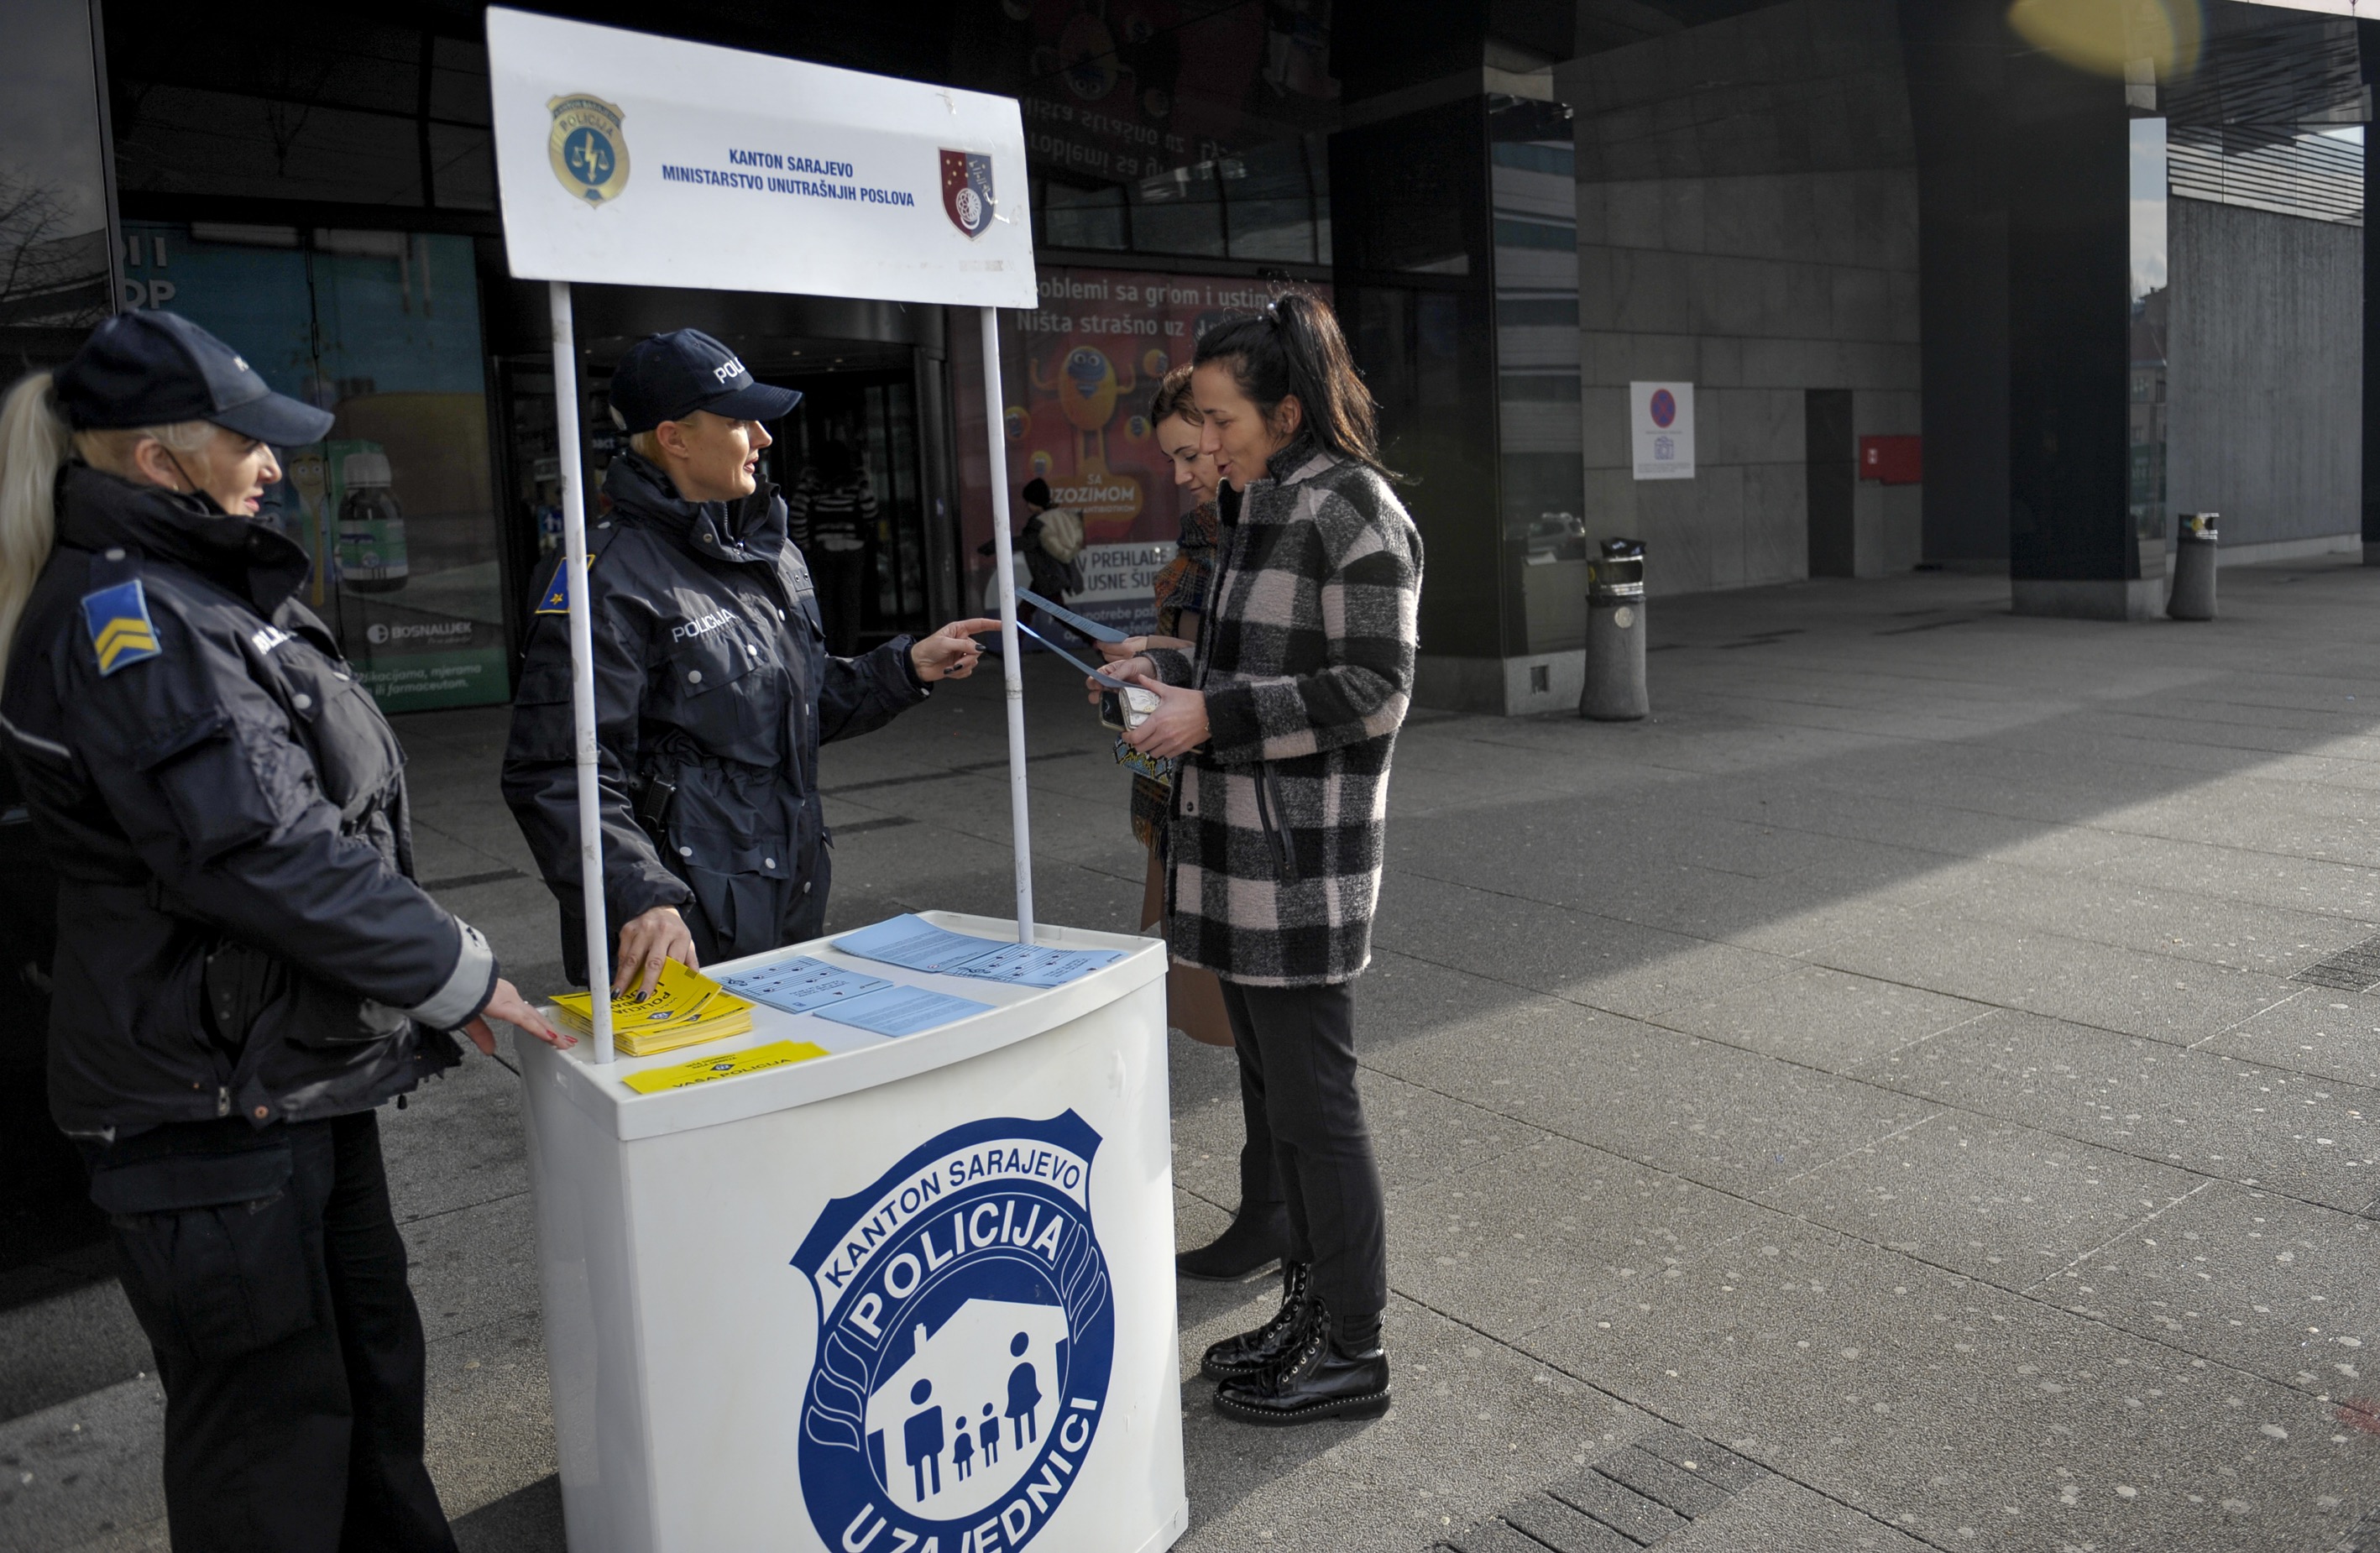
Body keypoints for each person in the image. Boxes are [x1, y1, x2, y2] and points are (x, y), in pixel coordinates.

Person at [0, 310, 568, 1550]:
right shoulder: (131, 621)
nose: (273, 465)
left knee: (368, 1398)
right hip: (206, 1117)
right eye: (249, 441)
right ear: (161, 460)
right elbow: (262, 845)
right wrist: (460, 976)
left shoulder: (202, 591)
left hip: (289, 1083)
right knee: (272, 1446)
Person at [1099, 290, 1421, 1425]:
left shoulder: (1354, 510)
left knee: (1316, 1105)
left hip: (1296, 865)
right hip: (1232, 857)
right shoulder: (1262, 503)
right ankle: (1306, 1310)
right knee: (1277, 1101)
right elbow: (1245, 662)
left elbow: (1375, 686)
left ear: (1286, 409)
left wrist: (1209, 714)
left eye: (1222, 414)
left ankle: (1355, 1346)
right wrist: (1163, 662)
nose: (1207, 434)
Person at [503, 329, 996, 996]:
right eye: (739, 420)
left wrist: (906, 667)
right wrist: (640, 896)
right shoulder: (605, 578)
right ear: (675, 438)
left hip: (786, 890)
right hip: (675, 924)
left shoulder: (770, 554)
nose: (763, 437)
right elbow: (558, 769)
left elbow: (795, 705)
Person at [1101, 366, 1283, 1282]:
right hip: (1178, 797)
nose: (1186, 468)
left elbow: (1259, 680)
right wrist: (1142, 677)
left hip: (1237, 810)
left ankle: (1277, 1216)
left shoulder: (1265, 535)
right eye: (1178, 451)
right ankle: (1270, 1212)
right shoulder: (1205, 531)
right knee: (1237, 1023)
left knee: (1264, 1033)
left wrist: (1165, 667)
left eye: (1195, 448)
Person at [788, 439, 876, 655]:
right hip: (854, 546)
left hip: (824, 548)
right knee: (851, 602)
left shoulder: (813, 481)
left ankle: (829, 650)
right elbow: (871, 511)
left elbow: (797, 513)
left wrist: (805, 544)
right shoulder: (856, 480)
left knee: (826, 600)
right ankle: (848, 652)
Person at [976, 476, 1083, 635]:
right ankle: (1012, 647)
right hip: (1050, 576)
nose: (1027, 506)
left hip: (1048, 577)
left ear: (1034, 502)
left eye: (1028, 502)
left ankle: (1094, 640)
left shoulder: (1039, 523)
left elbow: (1027, 542)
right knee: (1027, 613)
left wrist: (994, 546)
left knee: (1050, 615)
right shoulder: (1056, 517)